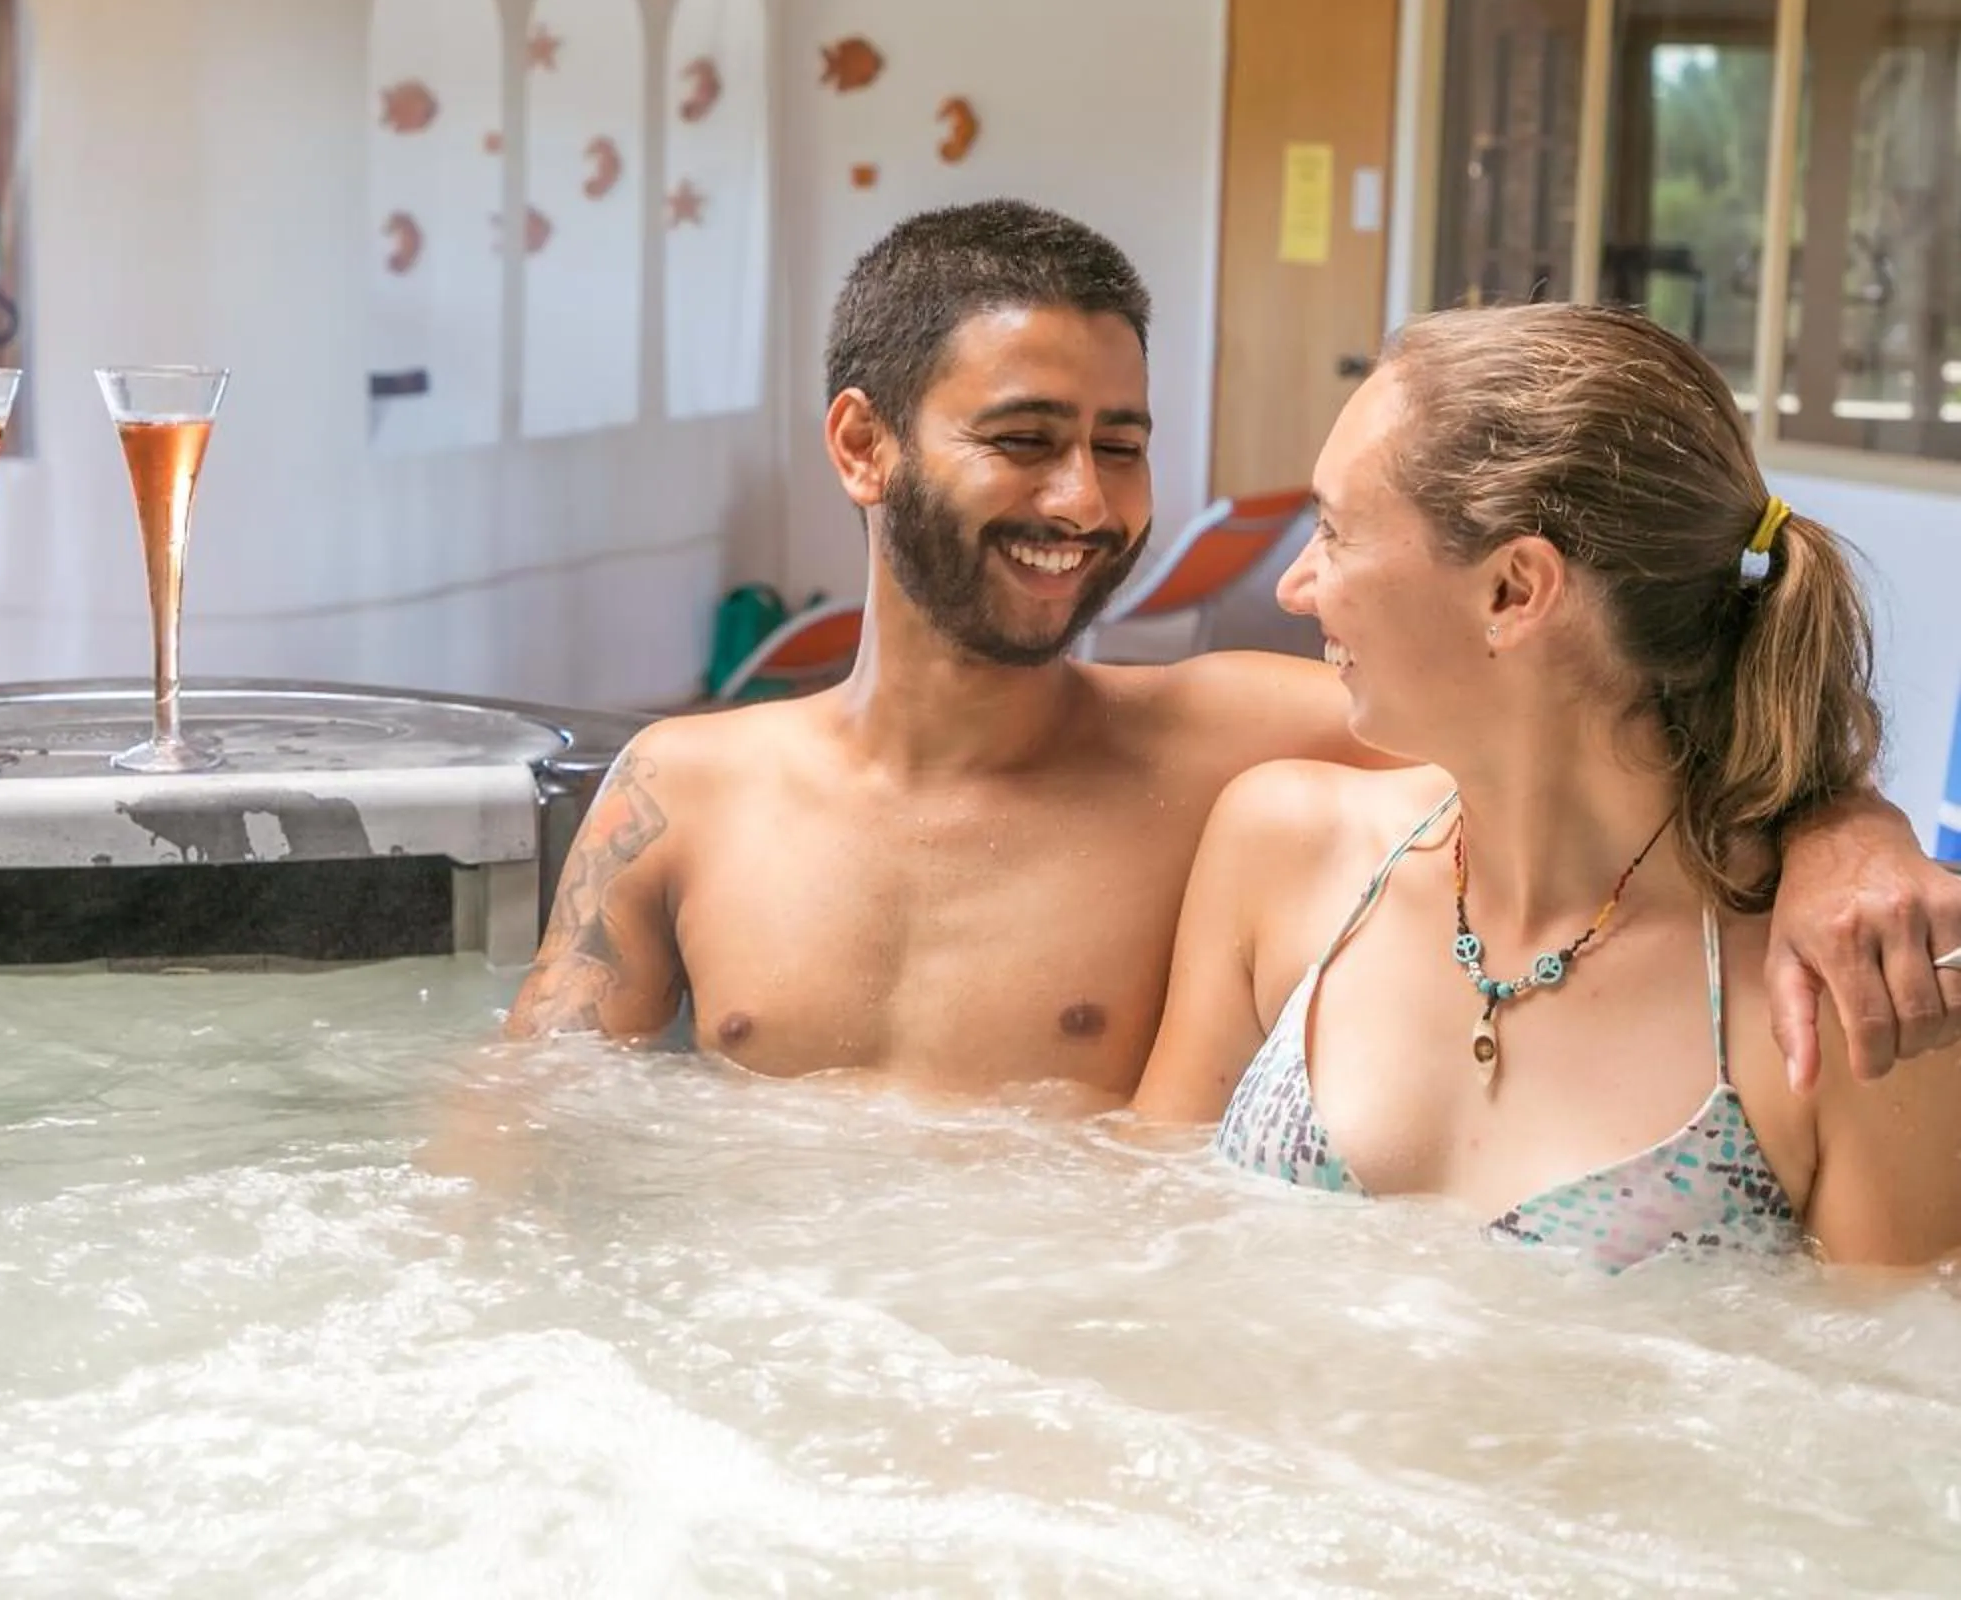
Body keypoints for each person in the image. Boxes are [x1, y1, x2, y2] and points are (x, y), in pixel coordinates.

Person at [504, 201, 1961, 1100]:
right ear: (862, 445)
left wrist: (1850, 828)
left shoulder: (1235, 746)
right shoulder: (683, 792)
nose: (1083, 501)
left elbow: (1625, 735)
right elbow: (520, 1133)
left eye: (1120, 446)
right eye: (1024, 441)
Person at [1133, 304, 1961, 1267]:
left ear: (1514, 591)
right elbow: (1143, 1250)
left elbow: (1888, 1399)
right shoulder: (1280, 852)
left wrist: (1848, 825)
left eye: (1335, 531)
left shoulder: (1852, 1004)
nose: (1297, 584)